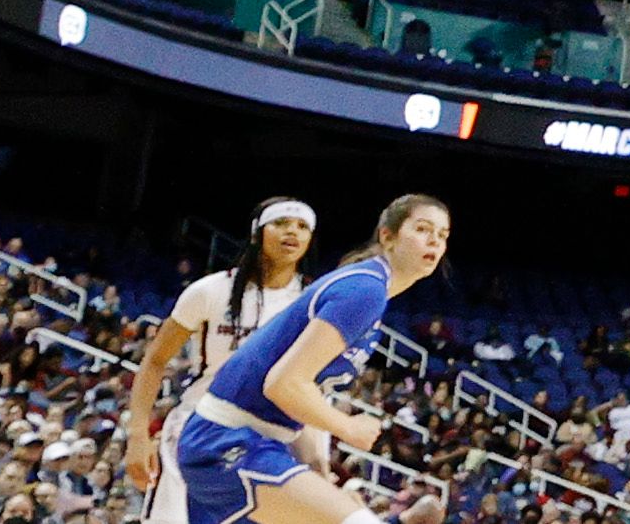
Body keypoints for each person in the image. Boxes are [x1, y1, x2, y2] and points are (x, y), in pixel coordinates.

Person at [172, 195, 448, 524]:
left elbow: (302, 393)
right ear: (387, 236)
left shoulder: (368, 289)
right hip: (228, 440)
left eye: (443, 235)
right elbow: (284, 385)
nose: (434, 240)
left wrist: (318, 474)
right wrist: (348, 427)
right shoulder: (365, 290)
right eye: (423, 229)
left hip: (248, 441)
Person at [122, 200, 321, 524]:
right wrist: (137, 435)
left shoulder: (313, 302)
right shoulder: (211, 290)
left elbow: (312, 385)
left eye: (302, 227)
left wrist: (315, 458)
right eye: (282, 222)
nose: (292, 232)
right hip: (197, 427)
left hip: (270, 440)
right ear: (257, 233)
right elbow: (155, 360)